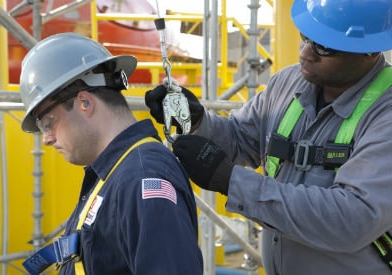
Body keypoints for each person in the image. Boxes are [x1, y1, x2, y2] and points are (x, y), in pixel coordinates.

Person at [145, 0, 392, 274]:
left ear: (369, 51)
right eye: (306, 36)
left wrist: (232, 181)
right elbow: (241, 139)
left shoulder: (386, 114)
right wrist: (196, 122)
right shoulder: (288, 83)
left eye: (323, 46)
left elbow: (352, 219)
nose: (306, 53)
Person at [19, 32, 203, 275]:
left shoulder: (142, 178)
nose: (47, 138)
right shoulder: (116, 174)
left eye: (47, 122)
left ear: (84, 103)